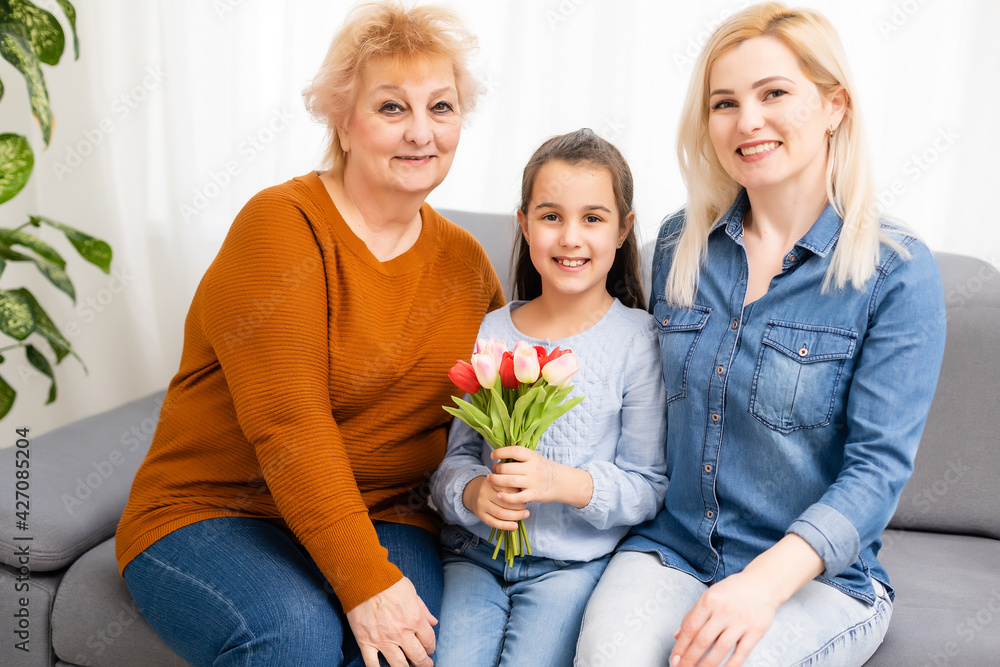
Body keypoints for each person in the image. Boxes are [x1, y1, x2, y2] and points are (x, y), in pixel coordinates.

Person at [115, 3, 503, 666]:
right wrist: (365, 580)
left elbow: (499, 398)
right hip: (216, 510)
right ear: (342, 122)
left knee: (416, 648)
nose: (420, 132)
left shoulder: (466, 263)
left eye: (441, 107)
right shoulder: (280, 227)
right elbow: (288, 424)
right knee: (295, 636)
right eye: (391, 107)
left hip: (388, 510)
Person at [576, 3, 946, 667]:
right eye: (724, 103)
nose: (747, 121)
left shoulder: (896, 271)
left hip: (816, 580)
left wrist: (760, 587)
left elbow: (877, 469)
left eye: (774, 93)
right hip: (673, 550)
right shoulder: (680, 243)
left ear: (834, 105)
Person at [429, 128, 670, 667]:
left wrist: (559, 483)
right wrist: (473, 493)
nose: (570, 238)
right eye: (551, 216)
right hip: (473, 556)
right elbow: (454, 461)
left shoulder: (637, 340)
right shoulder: (491, 330)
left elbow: (647, 486)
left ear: (623, 229)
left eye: (593, 218)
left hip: (571, 569)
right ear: (524, 223)